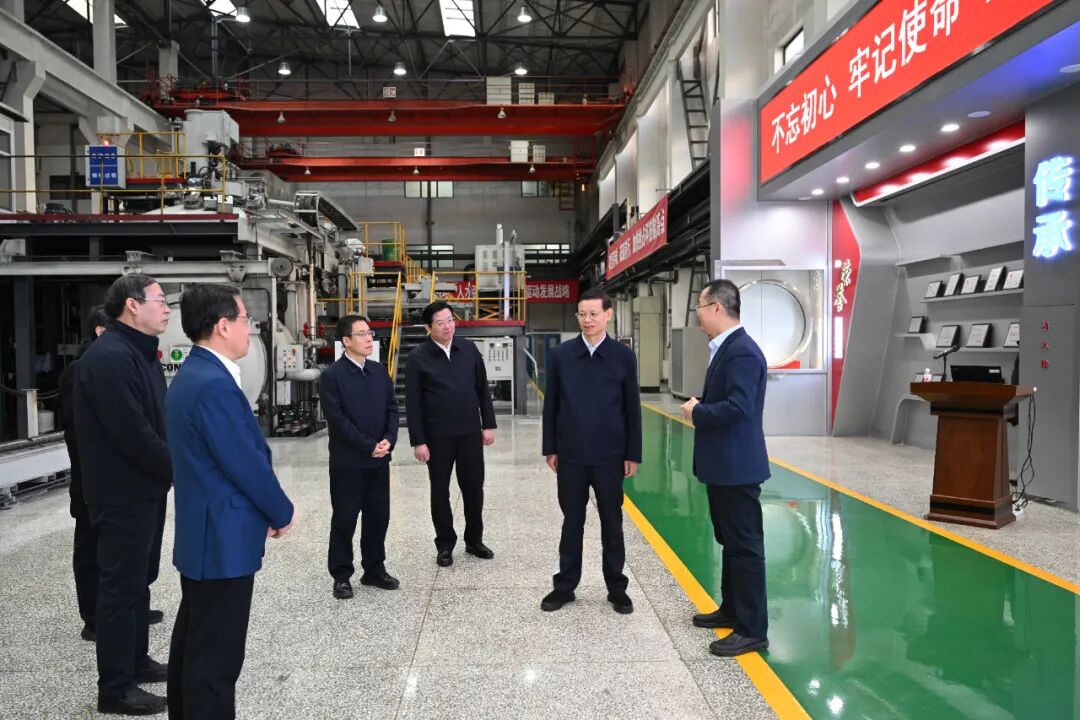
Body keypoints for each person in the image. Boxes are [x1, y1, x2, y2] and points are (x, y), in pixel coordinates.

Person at [165, 284, 294, 719]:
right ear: (223, 326)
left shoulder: (196, 375)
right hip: (221, 540)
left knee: (195, 643)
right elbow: (244, 462)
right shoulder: (212, 385)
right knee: (216, 660)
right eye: (245, 320)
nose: (248, 329)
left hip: (206, 534)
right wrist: (280, 511)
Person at [74, 275, 173, 715]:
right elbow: (133, 432)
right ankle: (115, 688)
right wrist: (178, 468)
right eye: (160, 300)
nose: (167, 308)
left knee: (138, 582)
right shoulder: (110, 357)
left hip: (146, 487)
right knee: (118, 588)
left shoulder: (141, 353)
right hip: (121, 492)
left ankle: (136, 660)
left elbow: (159, 420)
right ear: (132, 305)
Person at [681, 279, 770, 658]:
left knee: (745, 548)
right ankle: (733, 610)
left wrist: (697, 411)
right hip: (724, 467)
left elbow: (739, 407)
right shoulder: (728, 349)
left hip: (737, 468)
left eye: (699, 308)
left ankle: (752, 630)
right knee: (731, 542)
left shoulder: (742, 352)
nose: (698, 316)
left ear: (717, 308)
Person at [541, 288, 641, 614]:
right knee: (572, 521)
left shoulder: (623, 356)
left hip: (610, 456)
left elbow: (632, 408)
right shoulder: (562, 355)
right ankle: (565, 586)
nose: (587, 320)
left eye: (594, 314)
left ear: (608, 315)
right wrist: (550, 447)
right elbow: (551, 405)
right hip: (570, 455)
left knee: (612, 522)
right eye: (582, 314)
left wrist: (633, 453)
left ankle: (617, 588)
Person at [405, 301, 497, 567]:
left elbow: (482, 389)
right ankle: (445, 544)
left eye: (450, 320)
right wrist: (419, 441)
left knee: (473, 488)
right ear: (428, 328)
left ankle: (474, 540)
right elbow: (413, 403)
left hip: (469, 433)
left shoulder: (468, 349)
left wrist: (488, 424)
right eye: (440, 323)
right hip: (437, 437)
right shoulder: (418, 358)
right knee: (440, 491)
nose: (448, 326)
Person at [320, 315, 400, 599]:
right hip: (348, 463)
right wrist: (368, 445)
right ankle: (341, 575)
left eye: (370, 333)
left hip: (379, 461)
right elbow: (338, 421)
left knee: (378, 517)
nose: (369, 339)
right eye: (362, 334)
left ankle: (374, 569)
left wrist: (389, 439)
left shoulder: (378, 371)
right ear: (346, 341)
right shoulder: (332, 376)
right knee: (345, 519)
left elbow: (392, 409)